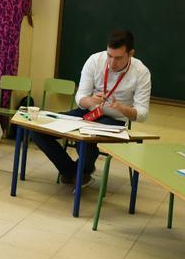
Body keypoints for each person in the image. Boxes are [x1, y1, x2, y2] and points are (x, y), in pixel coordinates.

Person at [29, 30, 151, 186]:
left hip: (114, 120)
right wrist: (91, 100)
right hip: (88, 113)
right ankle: (72, 171)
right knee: (37, 130)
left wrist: (120, 107)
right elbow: (80, 99)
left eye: (119, 58)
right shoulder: (95, 60)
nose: (112, 63)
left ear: (131, 54)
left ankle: (79, 172)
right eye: (109, 56)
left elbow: (141, 114)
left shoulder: (141, 72)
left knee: (86, 136)